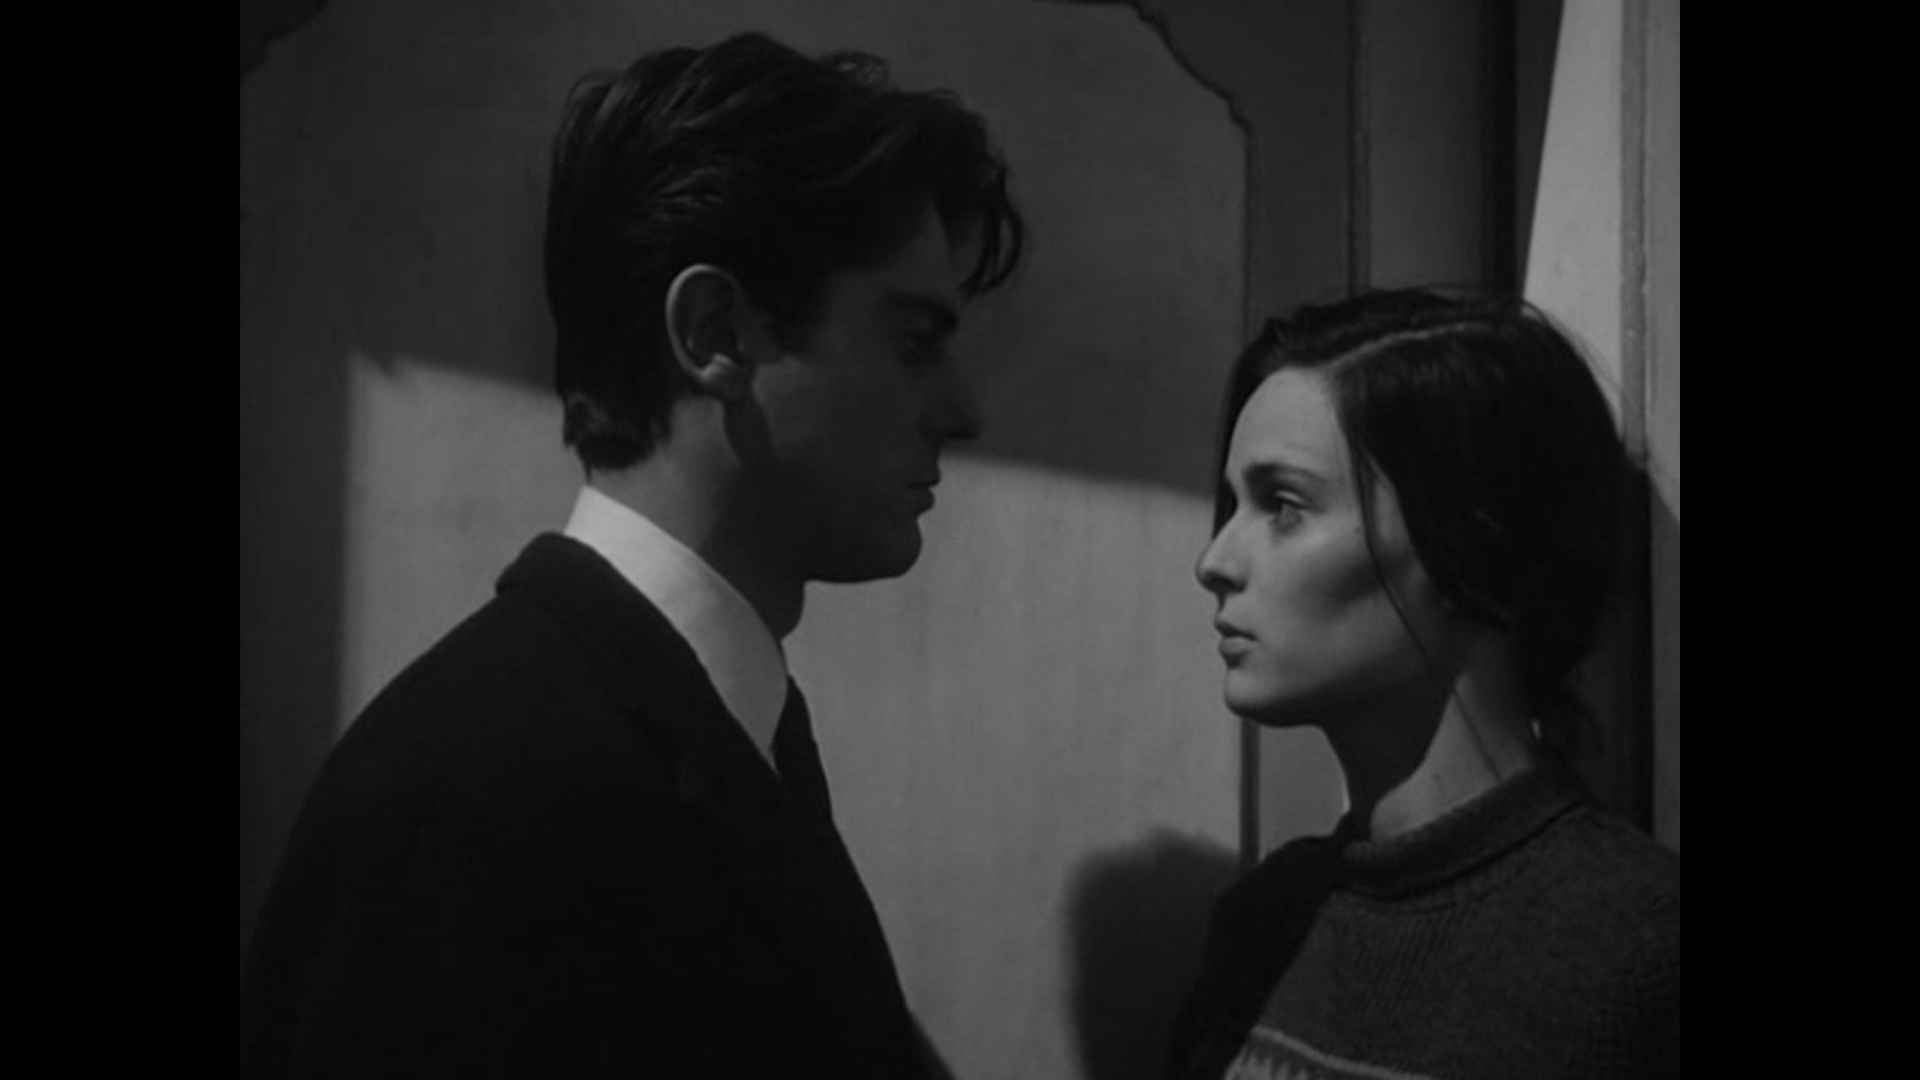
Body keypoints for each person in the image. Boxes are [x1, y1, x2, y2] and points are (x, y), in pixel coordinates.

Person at [240, 32, 1022, 1077]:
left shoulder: (713, 728)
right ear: (716, 332)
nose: (963, 411)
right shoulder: (465, 795)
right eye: (914, 340)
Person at [1170, 290, 1679, 1079]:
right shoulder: (1263, 923)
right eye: (1232, 504)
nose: (1215, 561)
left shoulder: (1637, 948)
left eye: (1283, 505)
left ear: (1470, 537)